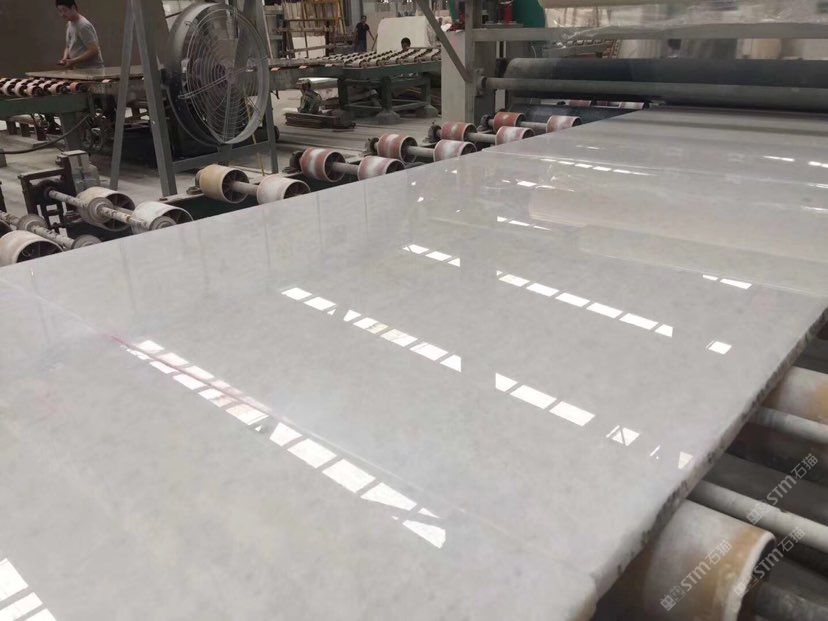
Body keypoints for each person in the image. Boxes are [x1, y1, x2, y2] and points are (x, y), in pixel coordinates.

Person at [56, 0, 104, 70]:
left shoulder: (83, 25)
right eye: (60, 11)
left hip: (92, 70)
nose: (62, 14)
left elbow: (94, 50)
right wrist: (65, 58)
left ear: (73, 8)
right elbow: (68, 46)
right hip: (78, 69)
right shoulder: (69, 24)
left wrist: (73, 61)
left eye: (65, 10)